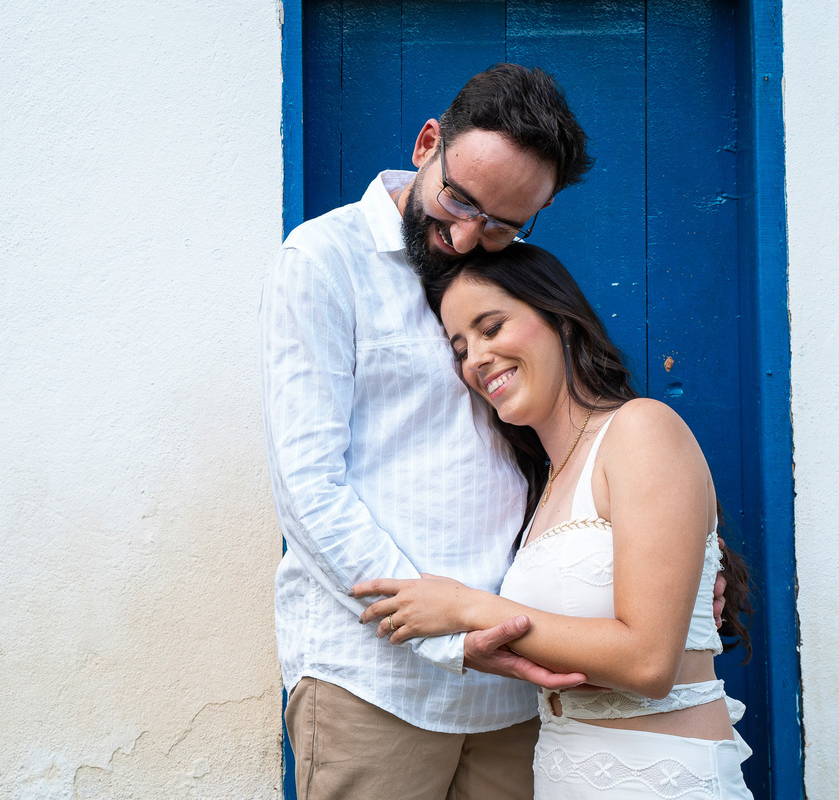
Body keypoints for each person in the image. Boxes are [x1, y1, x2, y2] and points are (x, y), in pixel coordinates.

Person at [260, 64, 596, 800]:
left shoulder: (512, 276)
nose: (468, 237)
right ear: (426, 144)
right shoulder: (323, 260)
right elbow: (308, 485)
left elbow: (577, 438)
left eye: (503, 224)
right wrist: (445, 632)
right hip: (376, 681)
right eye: (459, 200)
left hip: (514, 684)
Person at [352, 244, 755, 799]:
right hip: (563, 773)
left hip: (661, 778)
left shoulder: (641, 429)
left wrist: (466, 606)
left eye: (492, 327)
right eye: (461, 347)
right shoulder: (544, 489)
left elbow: (648, 662)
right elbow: (567, 644)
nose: (476, 359)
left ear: (559, 319)